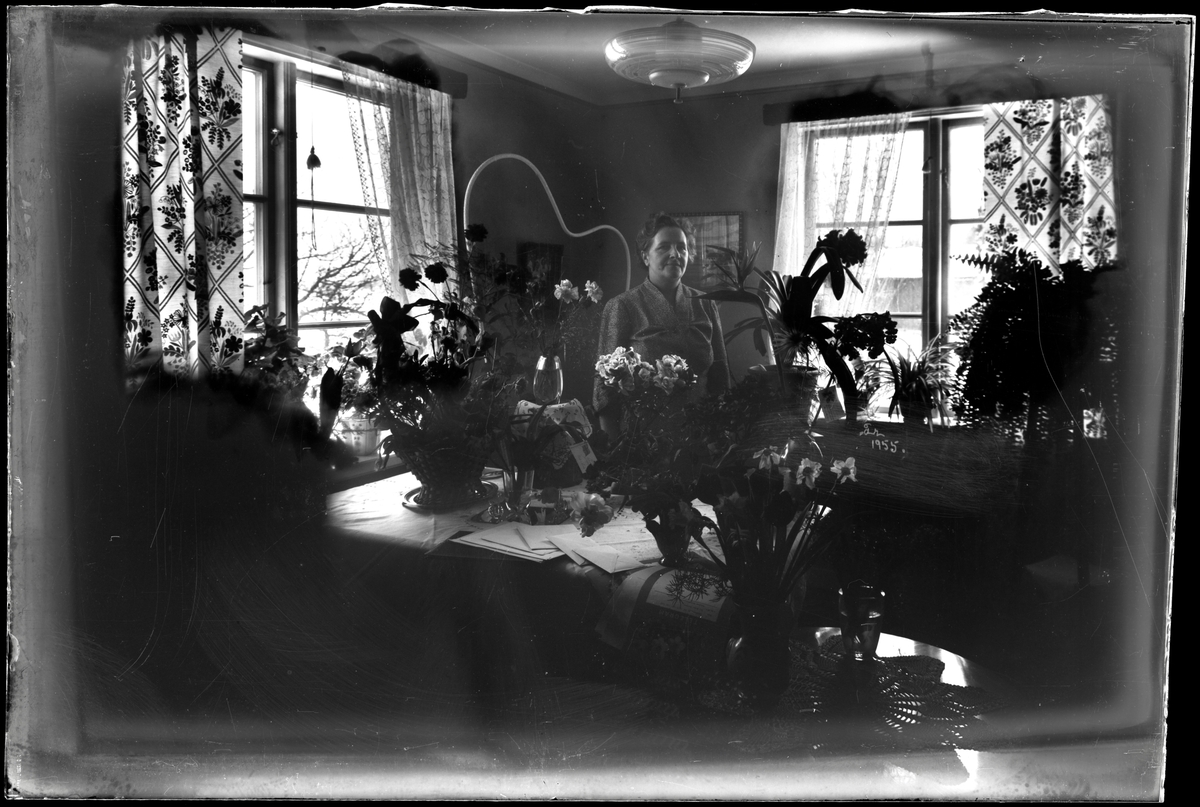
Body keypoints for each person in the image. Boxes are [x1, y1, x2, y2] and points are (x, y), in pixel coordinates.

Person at [594, 212, 731, 429]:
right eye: (663, 247)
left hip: (701, 432)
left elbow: (720, 377)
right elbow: (605, 388)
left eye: (682, 248)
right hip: (643, 434)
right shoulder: (622, 306)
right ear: (646, 256)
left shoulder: (705, 304)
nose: (675, 254)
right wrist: (611, 442)